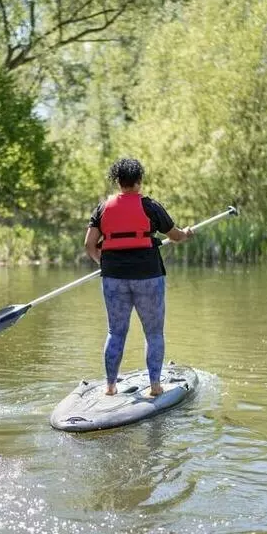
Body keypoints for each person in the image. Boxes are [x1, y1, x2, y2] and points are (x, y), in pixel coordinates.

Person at [84, 158, 195, 397]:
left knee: (115, 332)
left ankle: (110, 387)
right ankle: (155, 386)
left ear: (118, 181)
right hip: (148, 277)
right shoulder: (151, 206)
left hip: (114, 278)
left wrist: (103, 263)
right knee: (153, 333)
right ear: (139, 180)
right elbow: (175, 236)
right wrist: (186, 233)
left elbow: (89, 245)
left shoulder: (102, 209)